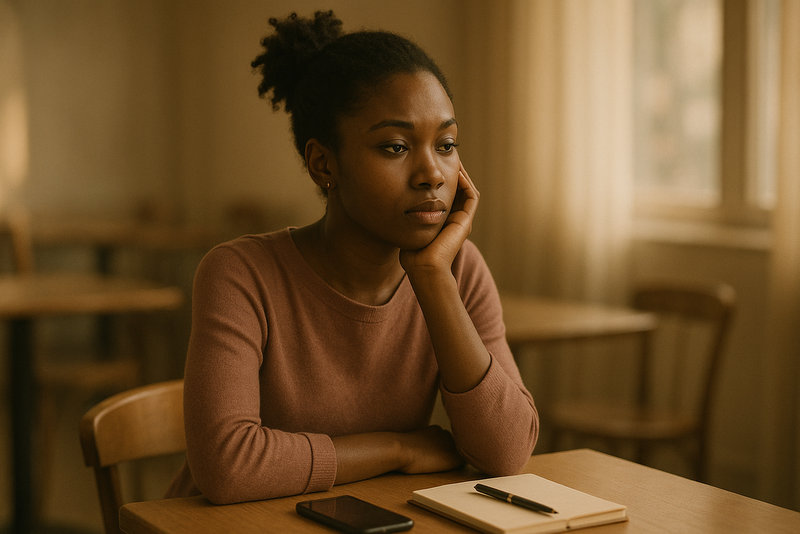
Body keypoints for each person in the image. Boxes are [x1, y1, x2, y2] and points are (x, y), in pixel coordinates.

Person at [166, 10, 538, 505]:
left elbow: (508, 452)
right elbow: (228, 467)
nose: (432, 173)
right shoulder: (240, 274)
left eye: (446, 144)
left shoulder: (459, 271)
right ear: (324, 164)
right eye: (395, 146)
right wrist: (397, 449)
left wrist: (431, 277)